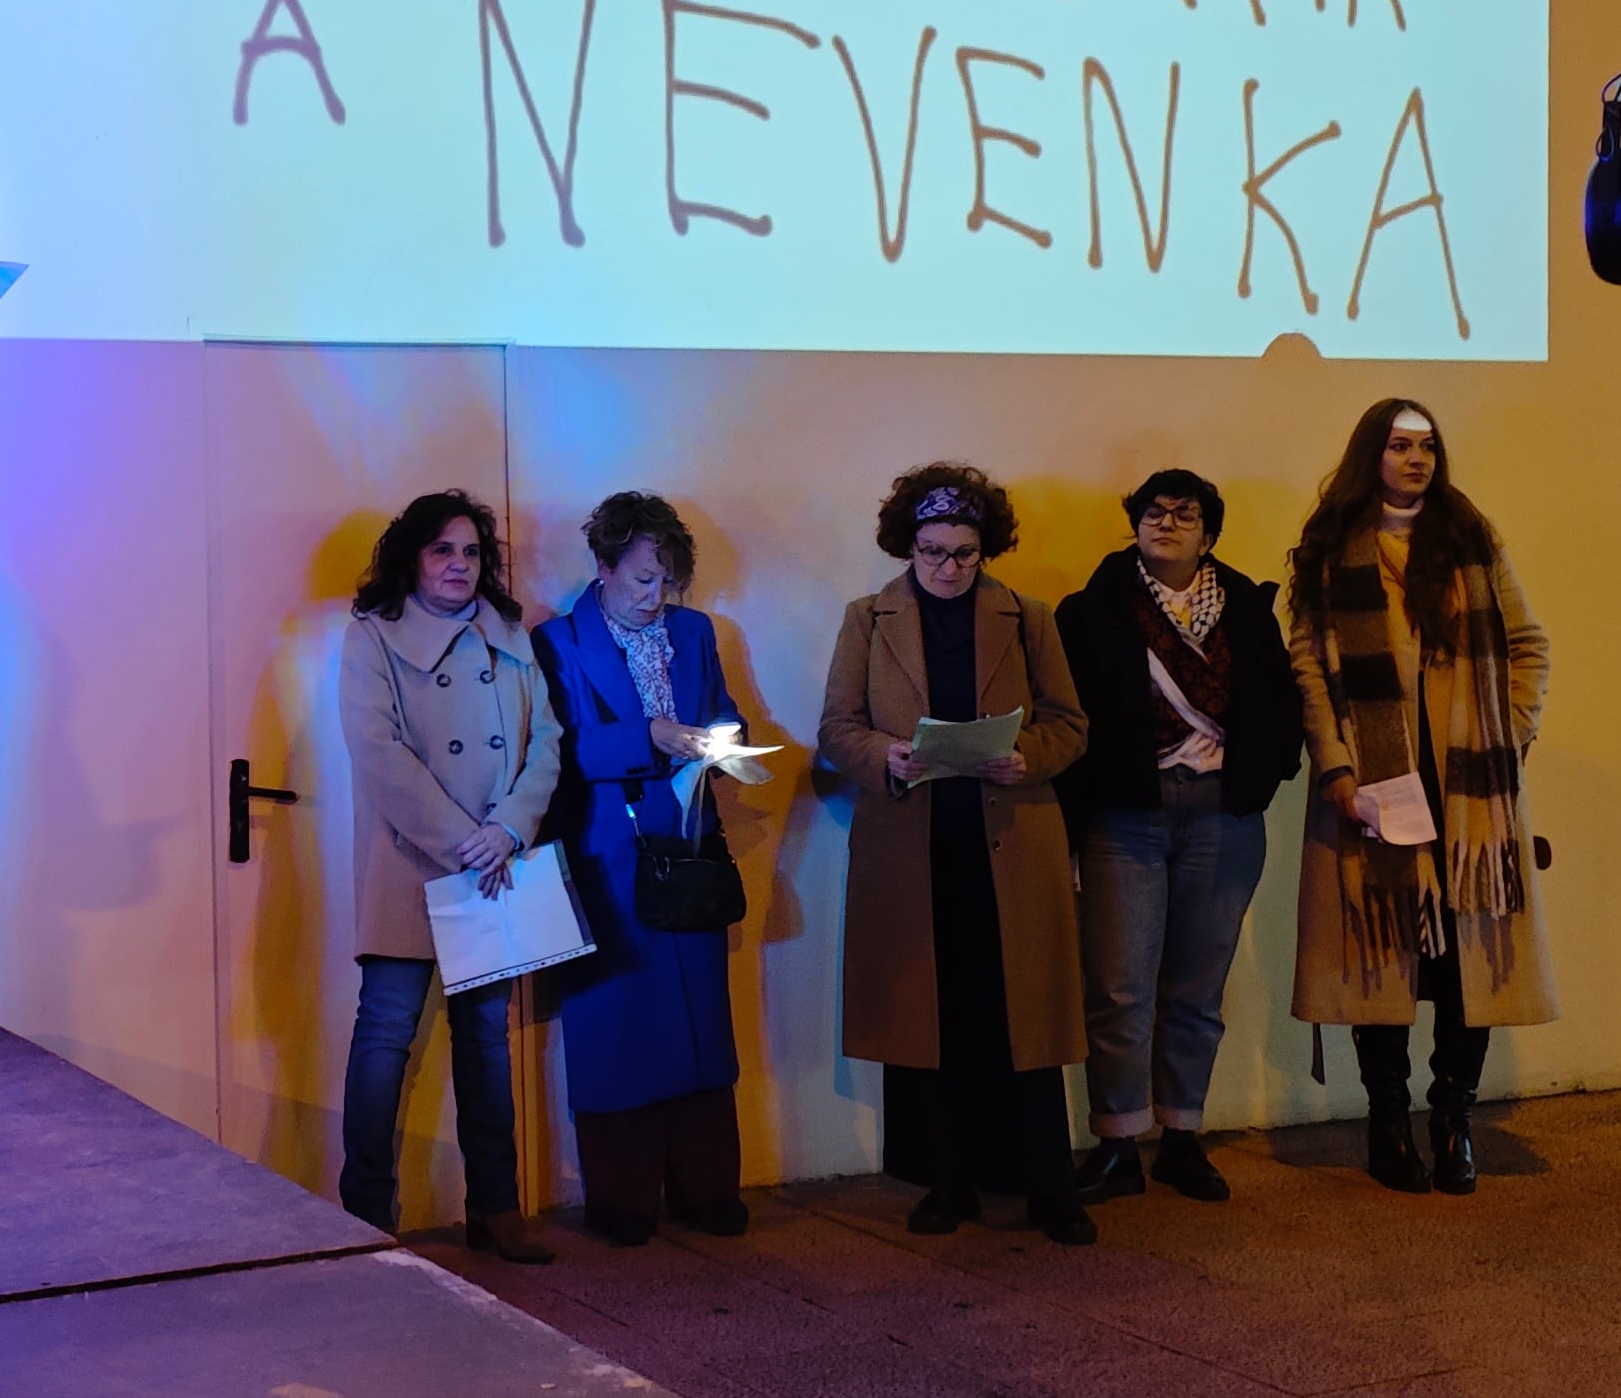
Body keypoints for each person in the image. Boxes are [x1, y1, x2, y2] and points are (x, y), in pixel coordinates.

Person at [817, 465, 1096, 1245]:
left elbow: (1070, 724)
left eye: (964, 553)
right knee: (931, 1017)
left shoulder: (1028, 616)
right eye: (933, 551)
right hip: (914, 848)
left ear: (986, 548)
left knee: (1023, 1020)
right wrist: (886, 755)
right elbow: (837, 727)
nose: (948, 567)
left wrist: (1028, 756)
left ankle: (1047, 1185)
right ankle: (947, 1181)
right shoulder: (868, 618)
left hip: (1011, 846)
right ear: (907, 546)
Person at [1285, 398, 1555, 1198]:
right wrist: (1337, 770)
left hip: (1468, 794)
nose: (1417, 459)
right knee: (1385, 964)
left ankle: (1452, 1118)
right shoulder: (1330, 548)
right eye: (1400, 445)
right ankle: (1388, 1121)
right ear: (1370, 454)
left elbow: (1529, 645)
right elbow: (1308, 669)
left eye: (1428, 446)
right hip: (1374, 786)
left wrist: (1506, 736)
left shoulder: (1471, 539)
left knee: (1466, 966)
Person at [1053, 468, 1306, 1206]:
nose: (1166, 523)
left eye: (1184, 513)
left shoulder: (1248, 609)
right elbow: (1067, 716)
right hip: (1125, 815)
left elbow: (1281, 702)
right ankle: (1117, 1142)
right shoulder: (1091, 610)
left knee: (1198, 988)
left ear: (1210, 533)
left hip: (1223, 814)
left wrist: (1261, 777)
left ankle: (1182, 1138)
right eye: (1153, 512)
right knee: (1119, 988)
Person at [337, 490, 564, 1262]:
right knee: (384, 1040)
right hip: (411, 865)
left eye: (471, 552)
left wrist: (509, 828)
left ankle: (495, 1209)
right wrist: (465, 840)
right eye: (443, 550)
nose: (459, 566)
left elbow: (546, 741)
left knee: (486, 1045)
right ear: (412, 558)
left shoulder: (508, 633)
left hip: (494, 866)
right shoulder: (372, 635)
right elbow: (377, 754)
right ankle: (364, 1217)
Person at [533, 493, 754, 1246]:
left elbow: (726, 711)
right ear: (602, 566)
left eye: (667, 581)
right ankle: (622, 1201)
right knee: (618, 1022)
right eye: (641, 580)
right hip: (609, 852)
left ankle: (707, 1190)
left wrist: (724, 739)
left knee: (701, 1021)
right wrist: (649, 735)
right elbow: (558, 749)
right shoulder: (558, 640)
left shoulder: (693, 632)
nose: (656, 596)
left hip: (691, 842)